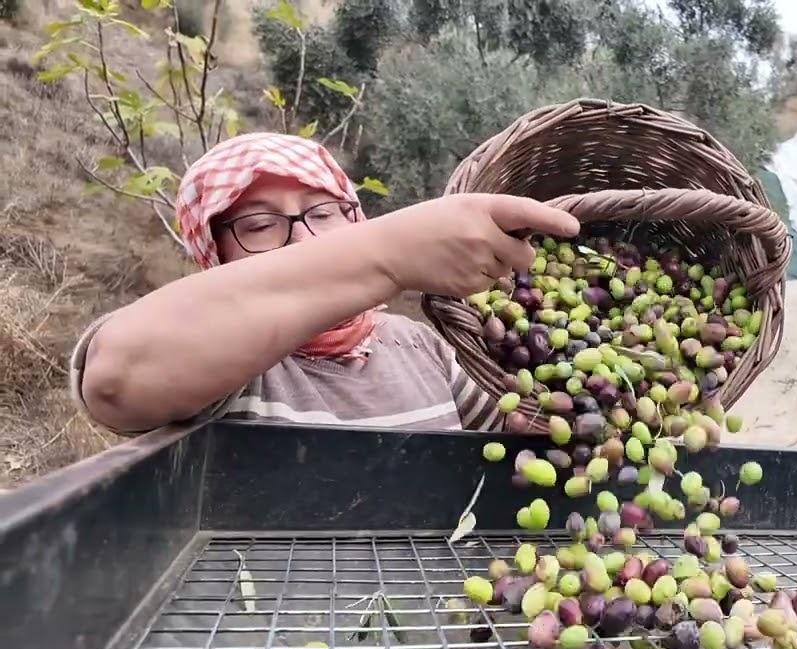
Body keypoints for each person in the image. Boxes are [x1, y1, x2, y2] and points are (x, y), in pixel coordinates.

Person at [69, 132, 580, 435]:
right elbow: (117, 379)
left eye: (323, 213)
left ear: (354, 218)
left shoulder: (420, 348)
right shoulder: (228, 371)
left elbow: (527, 431)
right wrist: (387, 255)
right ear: (214, 253)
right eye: (259, 225)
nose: (305, 241)